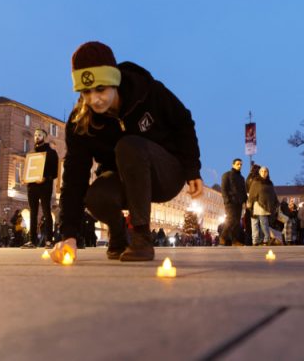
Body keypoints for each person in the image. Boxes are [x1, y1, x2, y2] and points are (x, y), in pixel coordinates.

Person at [51, 41, 203, 263]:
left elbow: (183, 122)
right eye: (86, 92)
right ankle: (119, 235)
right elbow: (74, 178)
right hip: (125, 178)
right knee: (94, 197)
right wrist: (69, 236)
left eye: (100, 89)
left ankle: (141, 236)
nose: (94, 100)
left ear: (114, 81)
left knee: (129, 145)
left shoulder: (147, 92)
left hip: (165, 173)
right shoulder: (80, 123)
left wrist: (192, 169)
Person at [23, 129, 59, 249]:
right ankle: (32, 241)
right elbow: (28, 170)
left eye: (39, 135)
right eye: (35, 135)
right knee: (33, 213)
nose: (37, 137)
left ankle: (49, 240)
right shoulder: (31, 153)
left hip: (45, 186)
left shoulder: (51, 153)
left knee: (46, 212)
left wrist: (45, 177)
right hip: (32, 186)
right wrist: (25, 178)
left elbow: (55, 172)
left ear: (45, 137)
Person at [246, 166, 278, 246]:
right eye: (262, 171)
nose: (263, 173)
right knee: (254, 223)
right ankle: (255, 240)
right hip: (256, 204)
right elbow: (252, 193)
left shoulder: (269, 183)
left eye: (265, 171)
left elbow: (273, 195)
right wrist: (249, 203)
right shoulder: (256, 182)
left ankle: (266, 239)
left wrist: (275, 203)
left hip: (264, 206)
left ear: (268, 173)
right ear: (259, 172)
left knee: (264, 222)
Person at [220, 158, 247, 246]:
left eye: (241, 164)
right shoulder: (227, 175)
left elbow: (244, 190)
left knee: (236, 222)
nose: (239, 166)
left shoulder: (241, 178)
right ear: (233, 165)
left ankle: (234, 240)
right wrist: (227, 200)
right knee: (231, 219)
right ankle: (223, 237)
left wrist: (245, 201)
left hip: (239, 203)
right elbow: (224, 188)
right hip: (230, 202)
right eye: (238, 164)